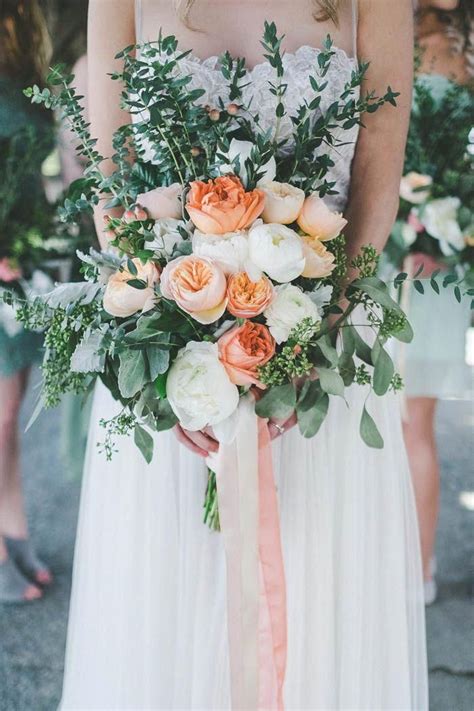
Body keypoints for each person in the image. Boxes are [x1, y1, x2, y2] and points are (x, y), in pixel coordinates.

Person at [61, 1, 428, 708]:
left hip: (322, 371)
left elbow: (380, 165)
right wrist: (170, 344)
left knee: (323, 609)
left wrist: (313, 339)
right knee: (166, 617)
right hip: (171, 375)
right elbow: (114, 178)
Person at [402, 0, 473, 606]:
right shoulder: (378, 26)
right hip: (383, 255)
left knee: (411, 421)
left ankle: (418, 567)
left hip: (436, 264)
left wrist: (437, 236)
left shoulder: (467, 43)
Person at [0, 0, 54, 603]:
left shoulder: (21, 65)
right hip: (4, 259)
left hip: (23, 260)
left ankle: (13, 530)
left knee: (9, 415)